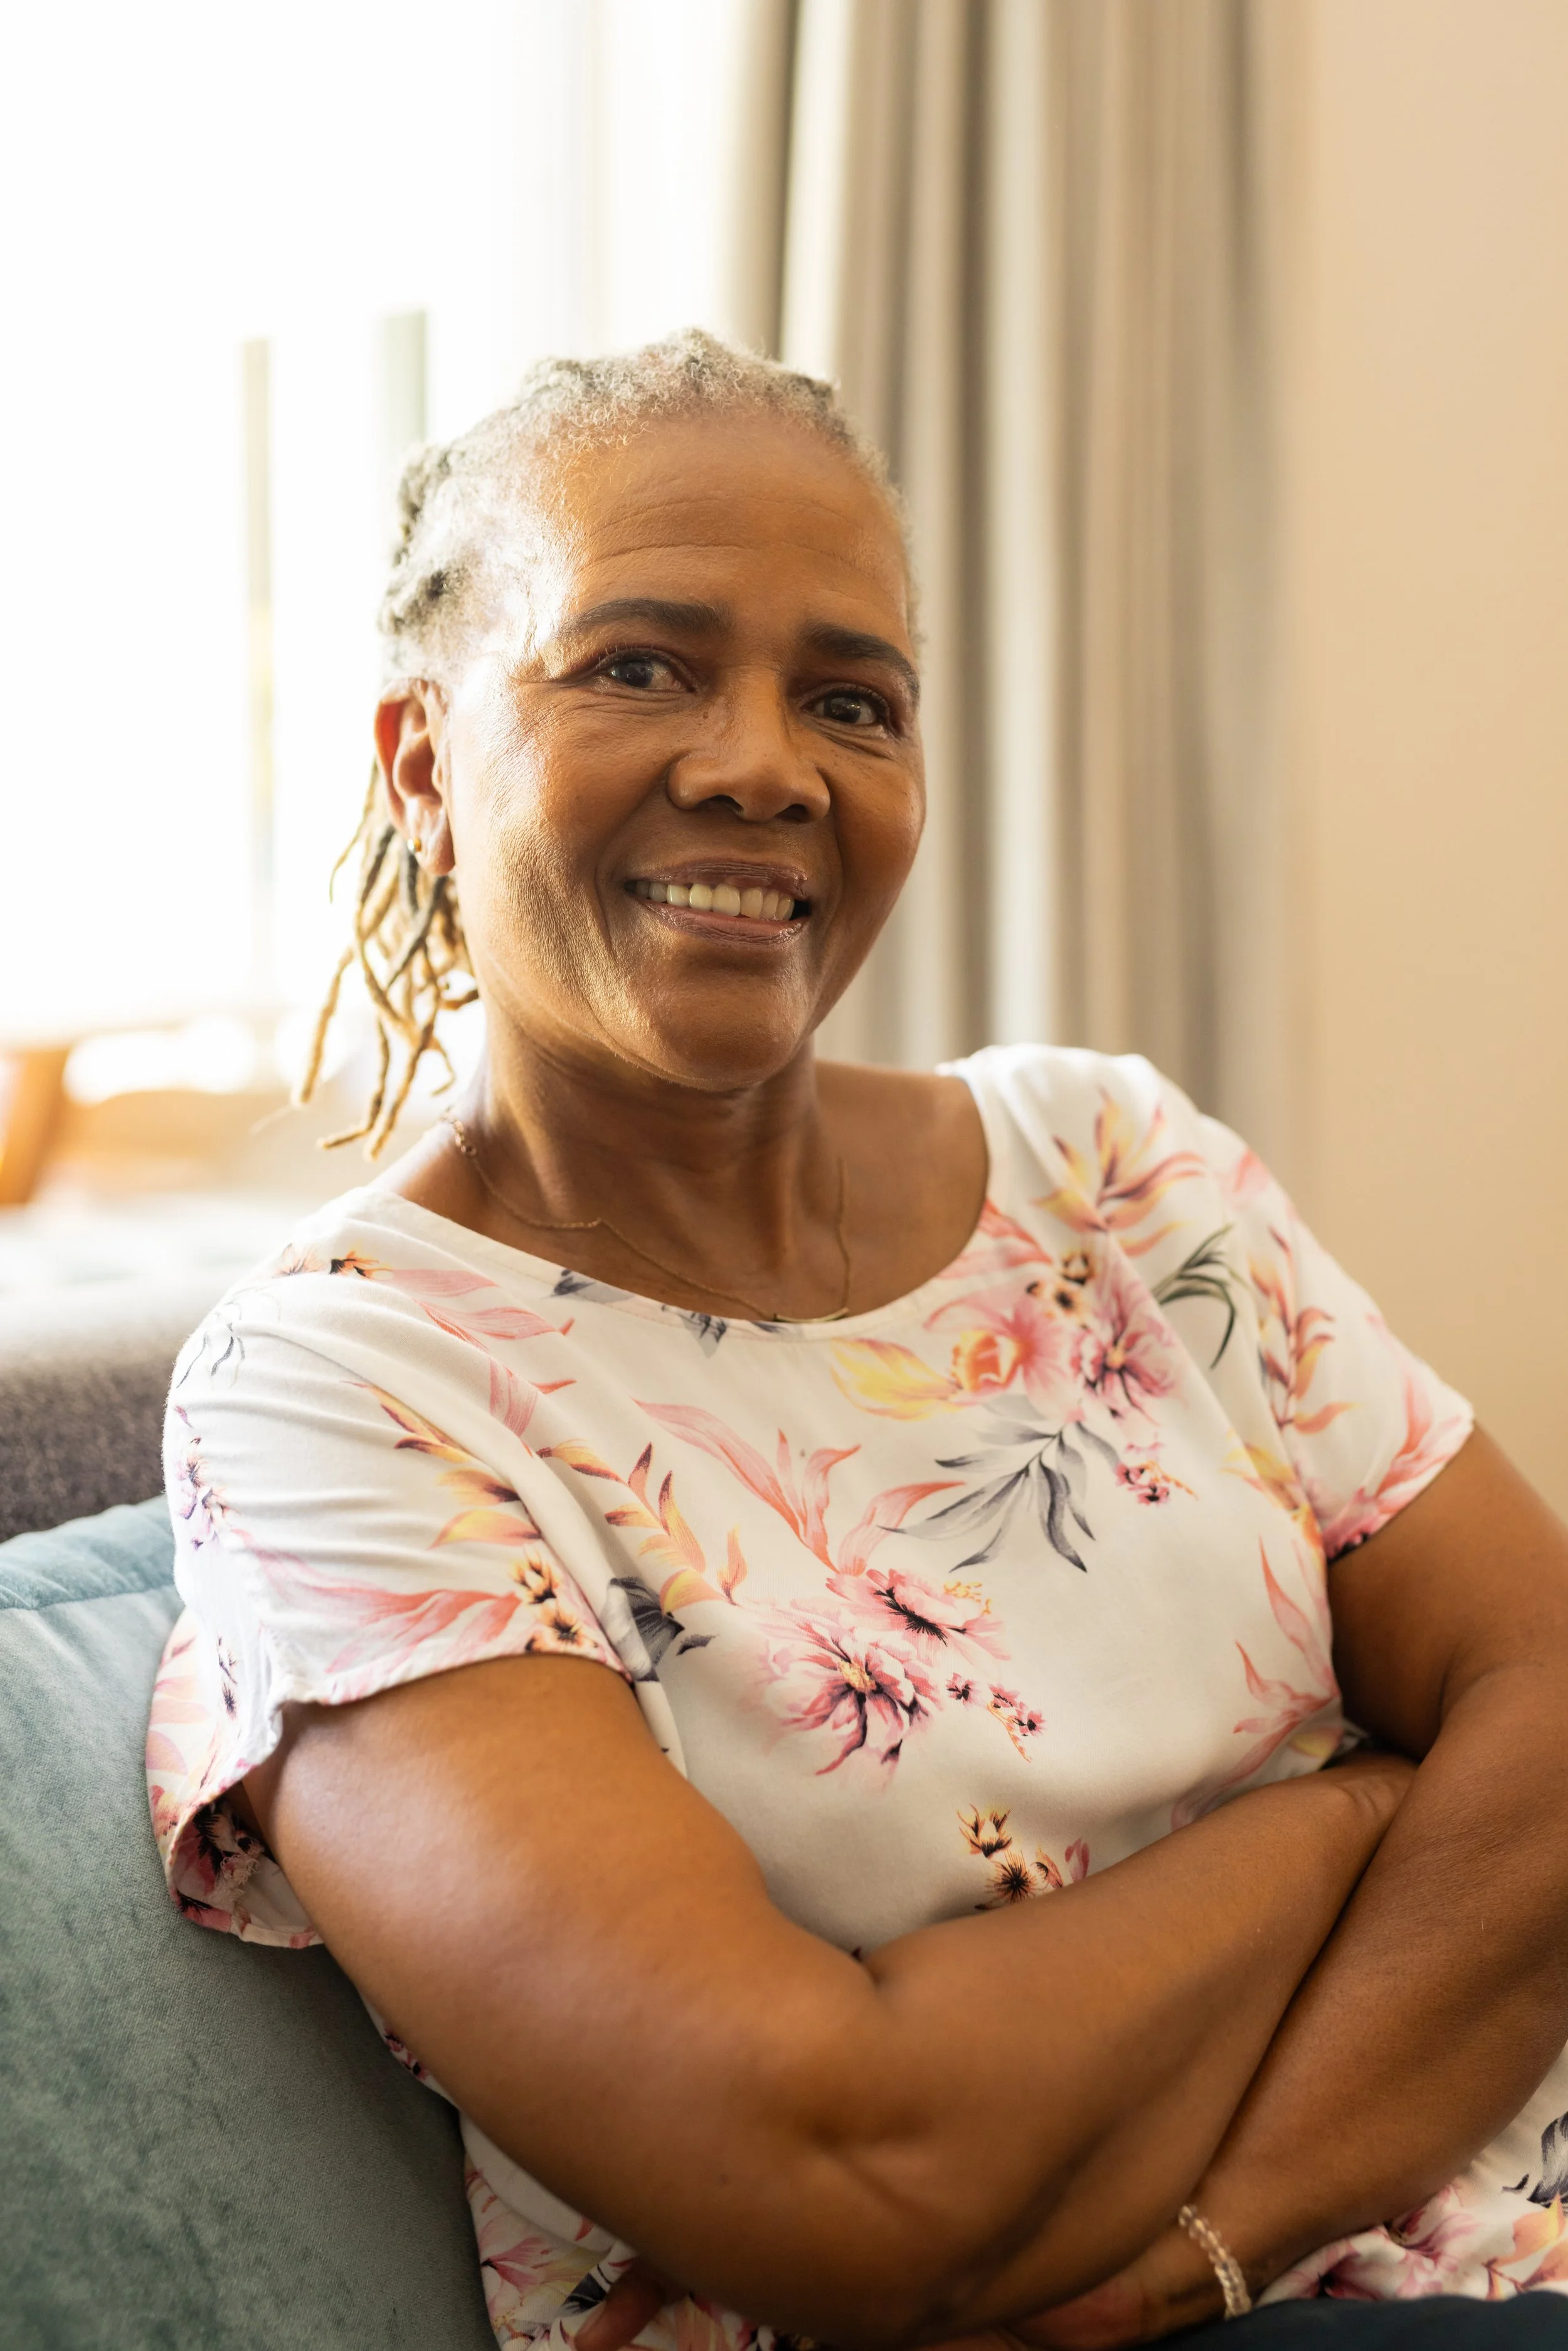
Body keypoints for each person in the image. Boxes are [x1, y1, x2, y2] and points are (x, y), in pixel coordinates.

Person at [147, 331, 1568, 2350]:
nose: (761, 761)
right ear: (418, 763)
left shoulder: (1106, 1164)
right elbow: (833, 2155)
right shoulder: (348, 1393)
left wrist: (1213, 2237)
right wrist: (1358, 1804)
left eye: (849, 699)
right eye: (635, 663)